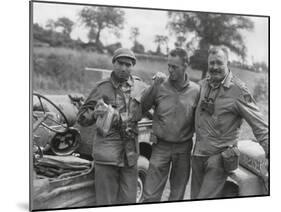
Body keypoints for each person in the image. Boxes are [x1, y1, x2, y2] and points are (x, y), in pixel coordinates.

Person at [191, 46, 269, 199]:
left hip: (218, 159)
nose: (214, 67)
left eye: (219, 63)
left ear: (228, 63)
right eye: (211, 63)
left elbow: (260, 126)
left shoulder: (238, 90)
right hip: (198, 155)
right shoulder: (203, 85)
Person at [77, 48, 147, 205]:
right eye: (120, 63)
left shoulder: (140, 87)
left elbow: (151, 107)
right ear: (113, 63)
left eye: (128, 64)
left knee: (129, 200)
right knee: (106, 202)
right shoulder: (101, 87)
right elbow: (81, 119)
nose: (123, 68)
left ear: (133, 66)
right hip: (107, 154)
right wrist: (95, 114)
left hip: (130, 155)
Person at [139, 48, 200, 202]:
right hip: (160, 146)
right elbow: (142, 108)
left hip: (183, 148)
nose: (170, 70)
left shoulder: (196, 91)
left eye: (175, 67)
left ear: (185, 65)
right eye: (169, 66)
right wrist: (153, 87)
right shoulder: (160, 85)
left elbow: (200, 120)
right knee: (150, 194)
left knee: (177, 195)